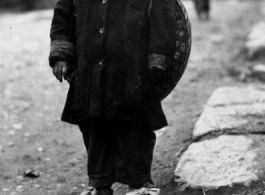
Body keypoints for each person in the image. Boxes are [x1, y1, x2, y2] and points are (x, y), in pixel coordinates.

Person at [49, 0, 179, 194]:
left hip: (134, 70)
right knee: (94, 126)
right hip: (90, 68)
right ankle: (100, 183)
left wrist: (158, 57)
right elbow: (63, 17)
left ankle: (138, 182)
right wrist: (61, 54)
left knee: (135, 127)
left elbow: (164, 15)